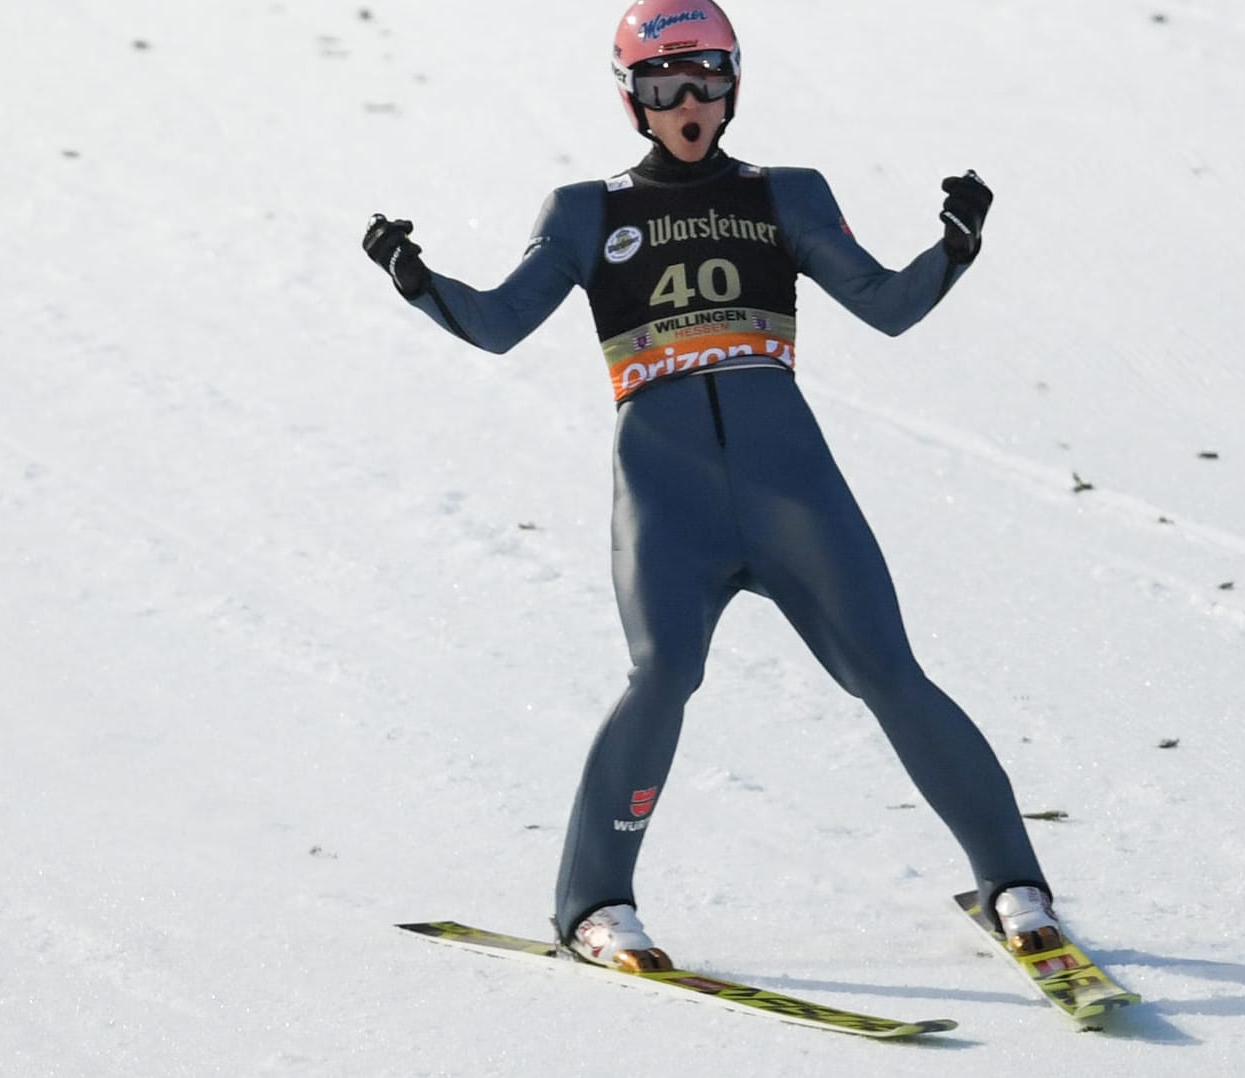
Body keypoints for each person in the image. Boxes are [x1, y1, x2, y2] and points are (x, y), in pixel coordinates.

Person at [364, 0, 1060, 973]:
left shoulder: (788, 193)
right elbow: (496, 324)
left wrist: (952, 247)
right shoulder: (583, 211)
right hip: (666, 486)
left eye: (705, 81)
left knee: (889, 671)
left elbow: (886, 307)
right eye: (664, 85)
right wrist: (415, 275)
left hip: (790, 481)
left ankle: (1015, 880)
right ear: (632, 98)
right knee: (663, 677)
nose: (687, 104)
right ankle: (595, 903)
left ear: (734, 84)